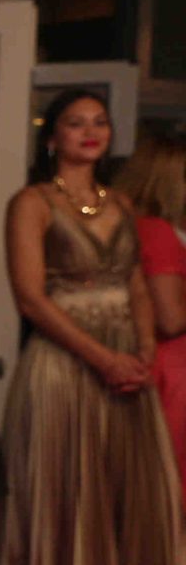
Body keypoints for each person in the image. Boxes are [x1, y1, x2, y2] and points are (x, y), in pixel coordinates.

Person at [0, 92, 186, 565]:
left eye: (100, 123)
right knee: (61, 510)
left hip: (128, 377)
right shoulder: (32, 204)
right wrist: (101, 358)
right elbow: (31, 299)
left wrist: (140, 355)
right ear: (52, 137)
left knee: (129, 514)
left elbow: (138, 288)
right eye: (75, 123)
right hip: (63, 371)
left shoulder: (122, 205)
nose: (90, 133)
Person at [116, 132, 186, 498]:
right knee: (167, 492)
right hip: (171, 372)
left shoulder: (131, 226)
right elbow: (170, 318)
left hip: (154, 367)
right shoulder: (157, 232)